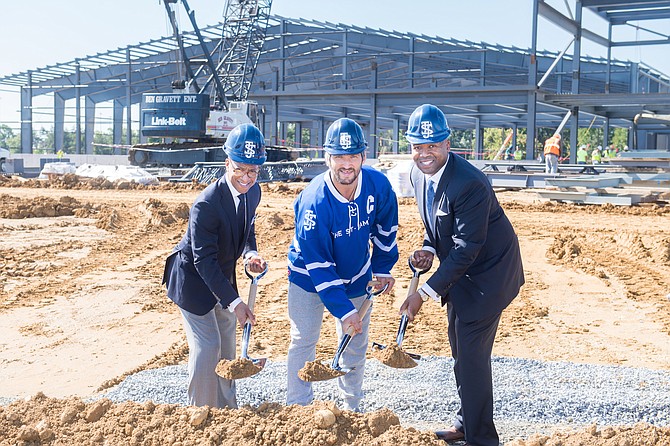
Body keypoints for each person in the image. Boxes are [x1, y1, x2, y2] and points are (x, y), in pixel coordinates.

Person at [399, 104, 525, 446]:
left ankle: (481, 439)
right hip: (460, 274)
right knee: (461, 351)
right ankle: (467, 422)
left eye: (432, 146)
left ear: (448, 144)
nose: (424, 154)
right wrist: (427, 247)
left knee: (470, 357)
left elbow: (468, 248)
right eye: (418, 147)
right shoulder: (418, 175)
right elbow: (437, 227)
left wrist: (423, 293)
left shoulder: (470, 184)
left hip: (488, 277)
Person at [286, 117, 399, 412]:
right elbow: (319, 265)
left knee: (356, 340)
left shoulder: (378, 185)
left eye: (352, 156)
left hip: (356, 272)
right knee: (304, 339)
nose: (346, 164)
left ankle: (352, 408)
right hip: (309, 277)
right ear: (327, 158)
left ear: (363, 156)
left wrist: (383, 267)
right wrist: (345, 311)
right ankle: (298, 408)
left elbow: (385, 229)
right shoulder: (314, 202)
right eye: (339, 156)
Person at [162, 123, 268, 409]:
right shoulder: (206, 204)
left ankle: (227, 412)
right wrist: (235, 302)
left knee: (228, 345)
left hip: (221, 275)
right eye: (240, 169)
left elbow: (247, 228)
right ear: (226, 163)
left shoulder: (253, 192)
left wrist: (250, 253)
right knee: (208, 346)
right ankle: (201, 414)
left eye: (253, 171)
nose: (246, 177)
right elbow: (203, 260)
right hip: (193, 280)